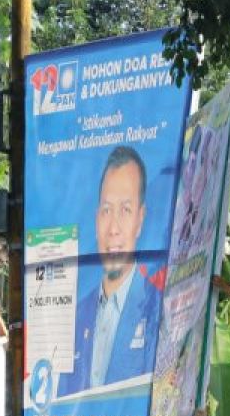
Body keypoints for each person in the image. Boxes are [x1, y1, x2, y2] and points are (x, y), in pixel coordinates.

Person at [58, 145, 163, 397]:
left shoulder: (157, 307)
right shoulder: (75, 315)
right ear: (96, 220)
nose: (113, 228)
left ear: (140, 219)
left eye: (125, 210)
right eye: (106, 211)